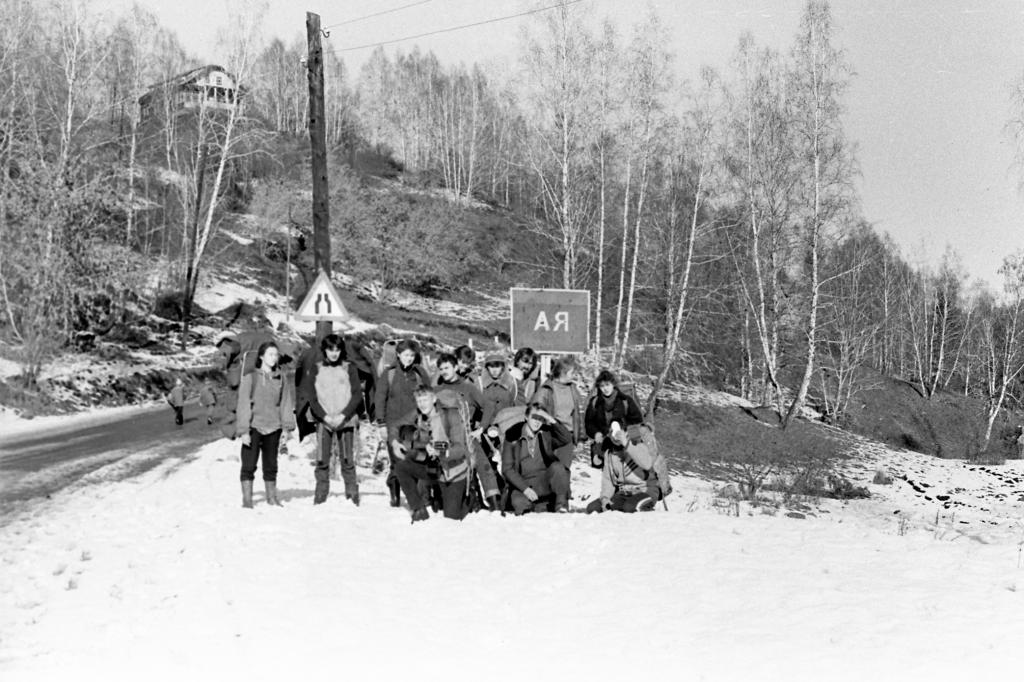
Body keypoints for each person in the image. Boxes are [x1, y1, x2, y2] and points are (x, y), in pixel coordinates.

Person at [300, 334, 363, 506]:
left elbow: (357, 394)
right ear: (325, 350)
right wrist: (324, 416)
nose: (334, 353)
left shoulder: (349, 368)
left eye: (337, 349)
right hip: (324, 420)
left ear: (341, 350)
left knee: (348, 460)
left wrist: (344, 415)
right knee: (322, 460)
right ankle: (321, 494)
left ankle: (352, 494)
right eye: (330, 349)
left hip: (345, 419)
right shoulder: (316, 368)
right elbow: (312, 397)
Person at [393, 387, 471, 522]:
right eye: (419, 401)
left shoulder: (450, 416)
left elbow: (459, 448)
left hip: (453, 471)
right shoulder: (418, 414)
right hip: (432, 468)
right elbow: (395, 425)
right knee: (401, 466)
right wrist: (394, 442)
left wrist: (439, 449)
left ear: (434, 399)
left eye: (425, 400)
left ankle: (468, 498)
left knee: (451, 519)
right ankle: (419, 509)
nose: (422, 404)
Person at [435, 353, 500, 511]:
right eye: (441, 369)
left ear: (456, 367)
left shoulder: (468, 387)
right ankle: (440, 500)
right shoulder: (437, 390)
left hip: (467, 434)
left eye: (447, 368)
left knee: (484, 467)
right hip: (445, 437)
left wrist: (481, 429)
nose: (444, 371)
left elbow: (489, 406)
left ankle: (495, 505)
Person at [235, 341, 296, 508]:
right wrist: (244, 430)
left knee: (271, 465)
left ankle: (271, 497)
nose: (274, 358)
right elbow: (243, 404)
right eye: (270, 354)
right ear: (261, 356)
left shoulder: (280, 378)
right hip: (254, 427)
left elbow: (285, 403)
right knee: (248, 465)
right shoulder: (250, 377)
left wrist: (287, 427)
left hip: (274, 427)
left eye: (276, 355)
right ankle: (247, 500)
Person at [375, 339, 432, 507]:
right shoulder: (389, 373)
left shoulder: (420, 374)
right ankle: (394, 489)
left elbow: (429, 394)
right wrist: (381, 423)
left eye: (412, 355)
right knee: (397, 460)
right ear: (398, 355)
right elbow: (380, 398)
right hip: (393, 425)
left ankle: (417, 495)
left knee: (416, 459)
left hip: (415, 425)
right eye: (406, 355)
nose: (409, 358)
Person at [501, 404, 573, 514]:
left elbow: (566, 438)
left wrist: (550, 419)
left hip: (544, 480)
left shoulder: (546, 434)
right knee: (519, 504)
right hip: (523, 484)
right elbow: (507, 469)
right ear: (526, 417)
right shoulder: (513, 436)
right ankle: (536, 506)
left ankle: (561, 507)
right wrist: (525, 489)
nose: (537, 422)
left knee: (558, 467)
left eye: (541, 419)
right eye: (534, 417)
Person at [534, 356, 584, 506]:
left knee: (565, 468)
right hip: (551, 433)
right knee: (549, 467)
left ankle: (562, 502)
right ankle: (546, 500)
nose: (574, 375)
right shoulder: (547, 388)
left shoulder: (573, 389)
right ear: (562, 372)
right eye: (571, 372)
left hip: (567, 434)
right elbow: (536, 407)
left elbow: (577, 414)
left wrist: (580, 437)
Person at [585, 423, 659, 513]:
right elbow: (608, 480)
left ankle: (646, 506)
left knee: (629, 508)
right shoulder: (610, 454)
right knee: (593, 508)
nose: (616, 435)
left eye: (619, 431)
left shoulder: (637, 445)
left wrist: (626, 443)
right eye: (612, 432)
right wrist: (605, 498)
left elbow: (647, 464)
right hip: (624, 493)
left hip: (645, 490)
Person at [584, 369, 644, 469]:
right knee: (608, 477)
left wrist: (626, 432)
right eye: (602, 386)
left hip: (624, 444)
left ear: (613, 384)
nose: (605, 389)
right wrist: (595, 433)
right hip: (604, 445)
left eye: (607, 385)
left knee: (625, 476)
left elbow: (637, 421)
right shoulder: (595, 402)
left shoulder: (625, 400)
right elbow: (589, 422)